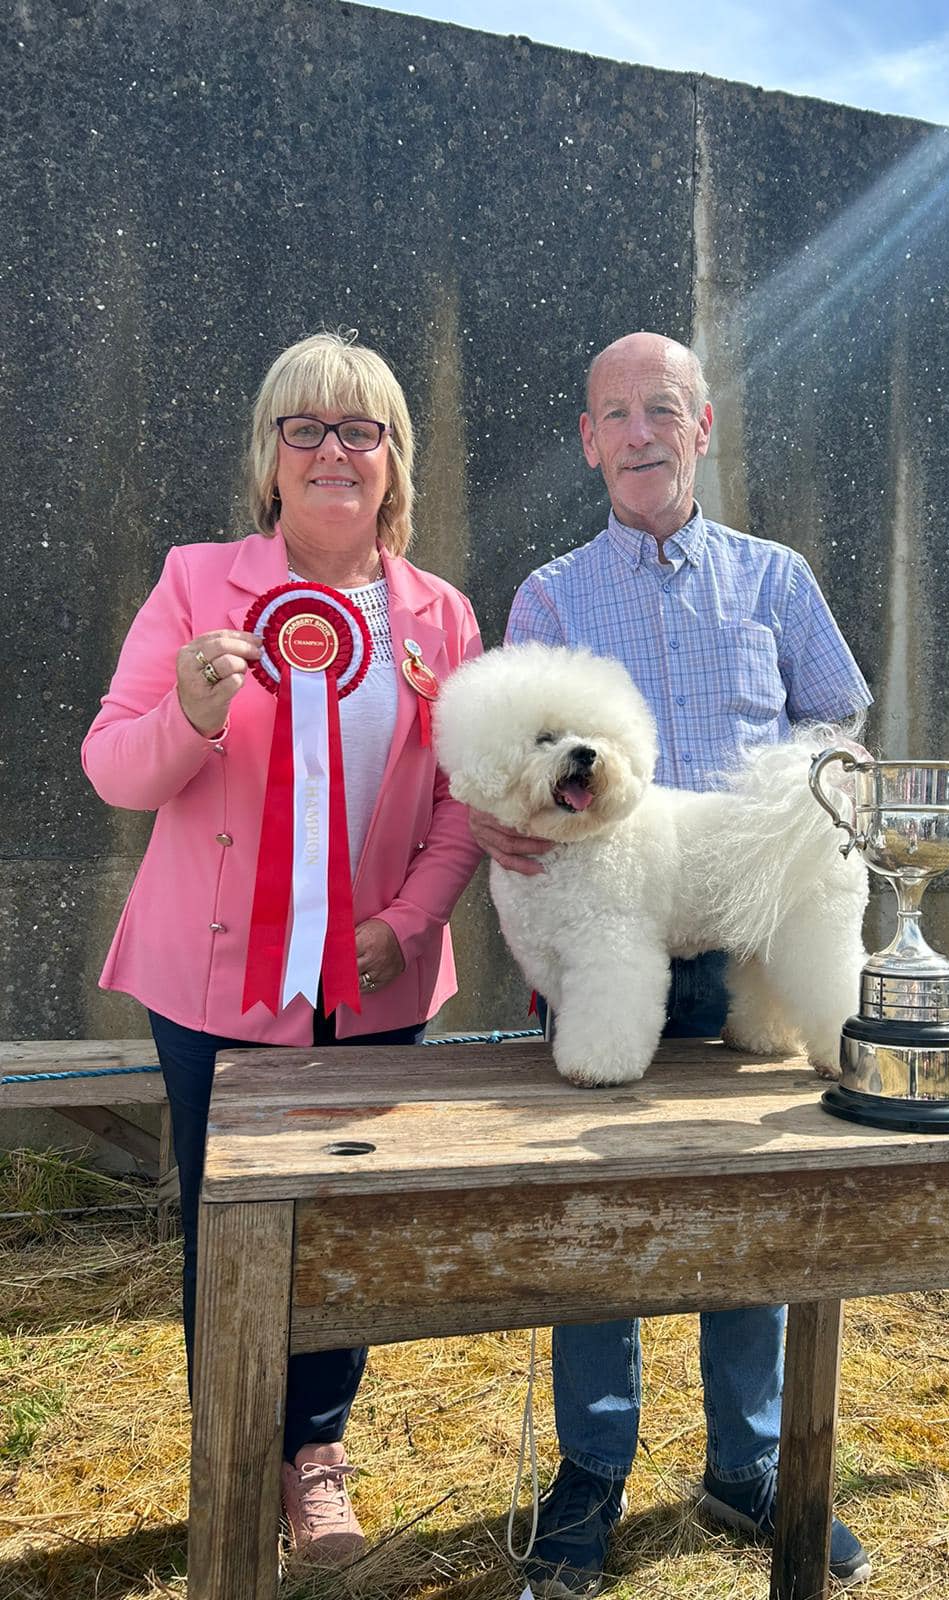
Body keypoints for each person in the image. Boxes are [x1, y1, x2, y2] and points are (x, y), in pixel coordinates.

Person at [468, 332, 873, 1597]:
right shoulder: (549, 596)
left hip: (751, 926)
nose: (641, 432)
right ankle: (592, 1471)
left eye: (664, 409)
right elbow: (504, 756)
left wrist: (819, 814)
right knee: (593, 1221)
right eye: (617, 414)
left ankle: (748, 1466)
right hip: (602, 937)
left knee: (755, 1218)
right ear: (588, 439)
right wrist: (500, 818)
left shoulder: (776, 577)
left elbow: (838, 727)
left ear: (702, 426)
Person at [82, 331, 483, 1566]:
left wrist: (406, 925)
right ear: (269, 457)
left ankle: (315, 1455)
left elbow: (466, 800)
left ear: (395, 460)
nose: (332, 451)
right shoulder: (195, 582)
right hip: (211, 980)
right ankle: (233, 1448)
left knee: (342, 1225)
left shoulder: (443, 614)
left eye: (361, 429)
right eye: (303, 427)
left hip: (376, 982)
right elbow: (114, 767)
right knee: (229, 1225)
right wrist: (189, 712)